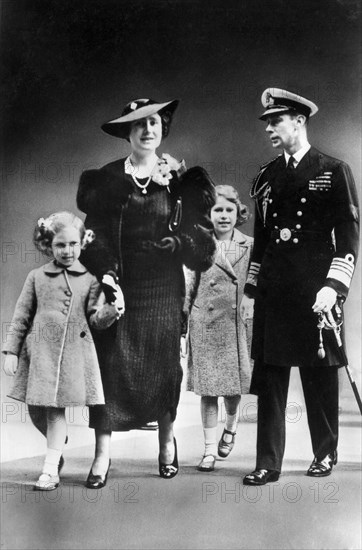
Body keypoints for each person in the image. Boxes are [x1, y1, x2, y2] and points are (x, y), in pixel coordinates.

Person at [76, 98, 216, 485]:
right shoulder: (107, 179)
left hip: (163, 288)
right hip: (119, 285)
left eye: (154, 123)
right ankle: (102, 456)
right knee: (109, 368)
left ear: (163, 128)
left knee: (165, 365)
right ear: (127, 133)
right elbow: (92, 235)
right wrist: (106, 274)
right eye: (138, 125)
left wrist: (181, 242)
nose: (147, 130)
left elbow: (202, 238)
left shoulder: (179, 179)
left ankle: (167, 446)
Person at [241, 88, 359, 485]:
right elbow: (261, 237)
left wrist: (334, 286)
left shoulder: (333, 169)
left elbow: (348, 236)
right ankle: (267, 461)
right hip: (275, 288)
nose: (270, 128)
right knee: (271, 377)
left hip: (315, 287)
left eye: (276, 121)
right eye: (267, 123)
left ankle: (324, 453)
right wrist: (252, 288)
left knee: (319, 373)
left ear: (299, 121)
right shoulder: (266, 175)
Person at [2, 211, 119, 490]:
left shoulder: (90, 279)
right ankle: (57, 446)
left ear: (82, 243)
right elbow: (21, 316)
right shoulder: (36, 277)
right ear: (48, 245)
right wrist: (11, 351)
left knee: (55, 412)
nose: (67, 251)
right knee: (37, 411)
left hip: (73, 355)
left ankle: (50, 469)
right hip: (40, 353)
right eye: (60, 245)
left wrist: (112, 311)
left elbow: (95, 318)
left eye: (73, 244)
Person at [186, 185, 254, 471]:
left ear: (238, 212)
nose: (223, 216)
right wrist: (183, 322)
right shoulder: (197, 244)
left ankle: (232, 425)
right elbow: (188, 285)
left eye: (228, 210)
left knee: (234, 388)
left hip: (236, 322)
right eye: (217, 210)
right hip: (205, 322)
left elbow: (256, 283)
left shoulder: (249, 245)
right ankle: (209, 450)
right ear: (208, 214)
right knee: (208, 390)